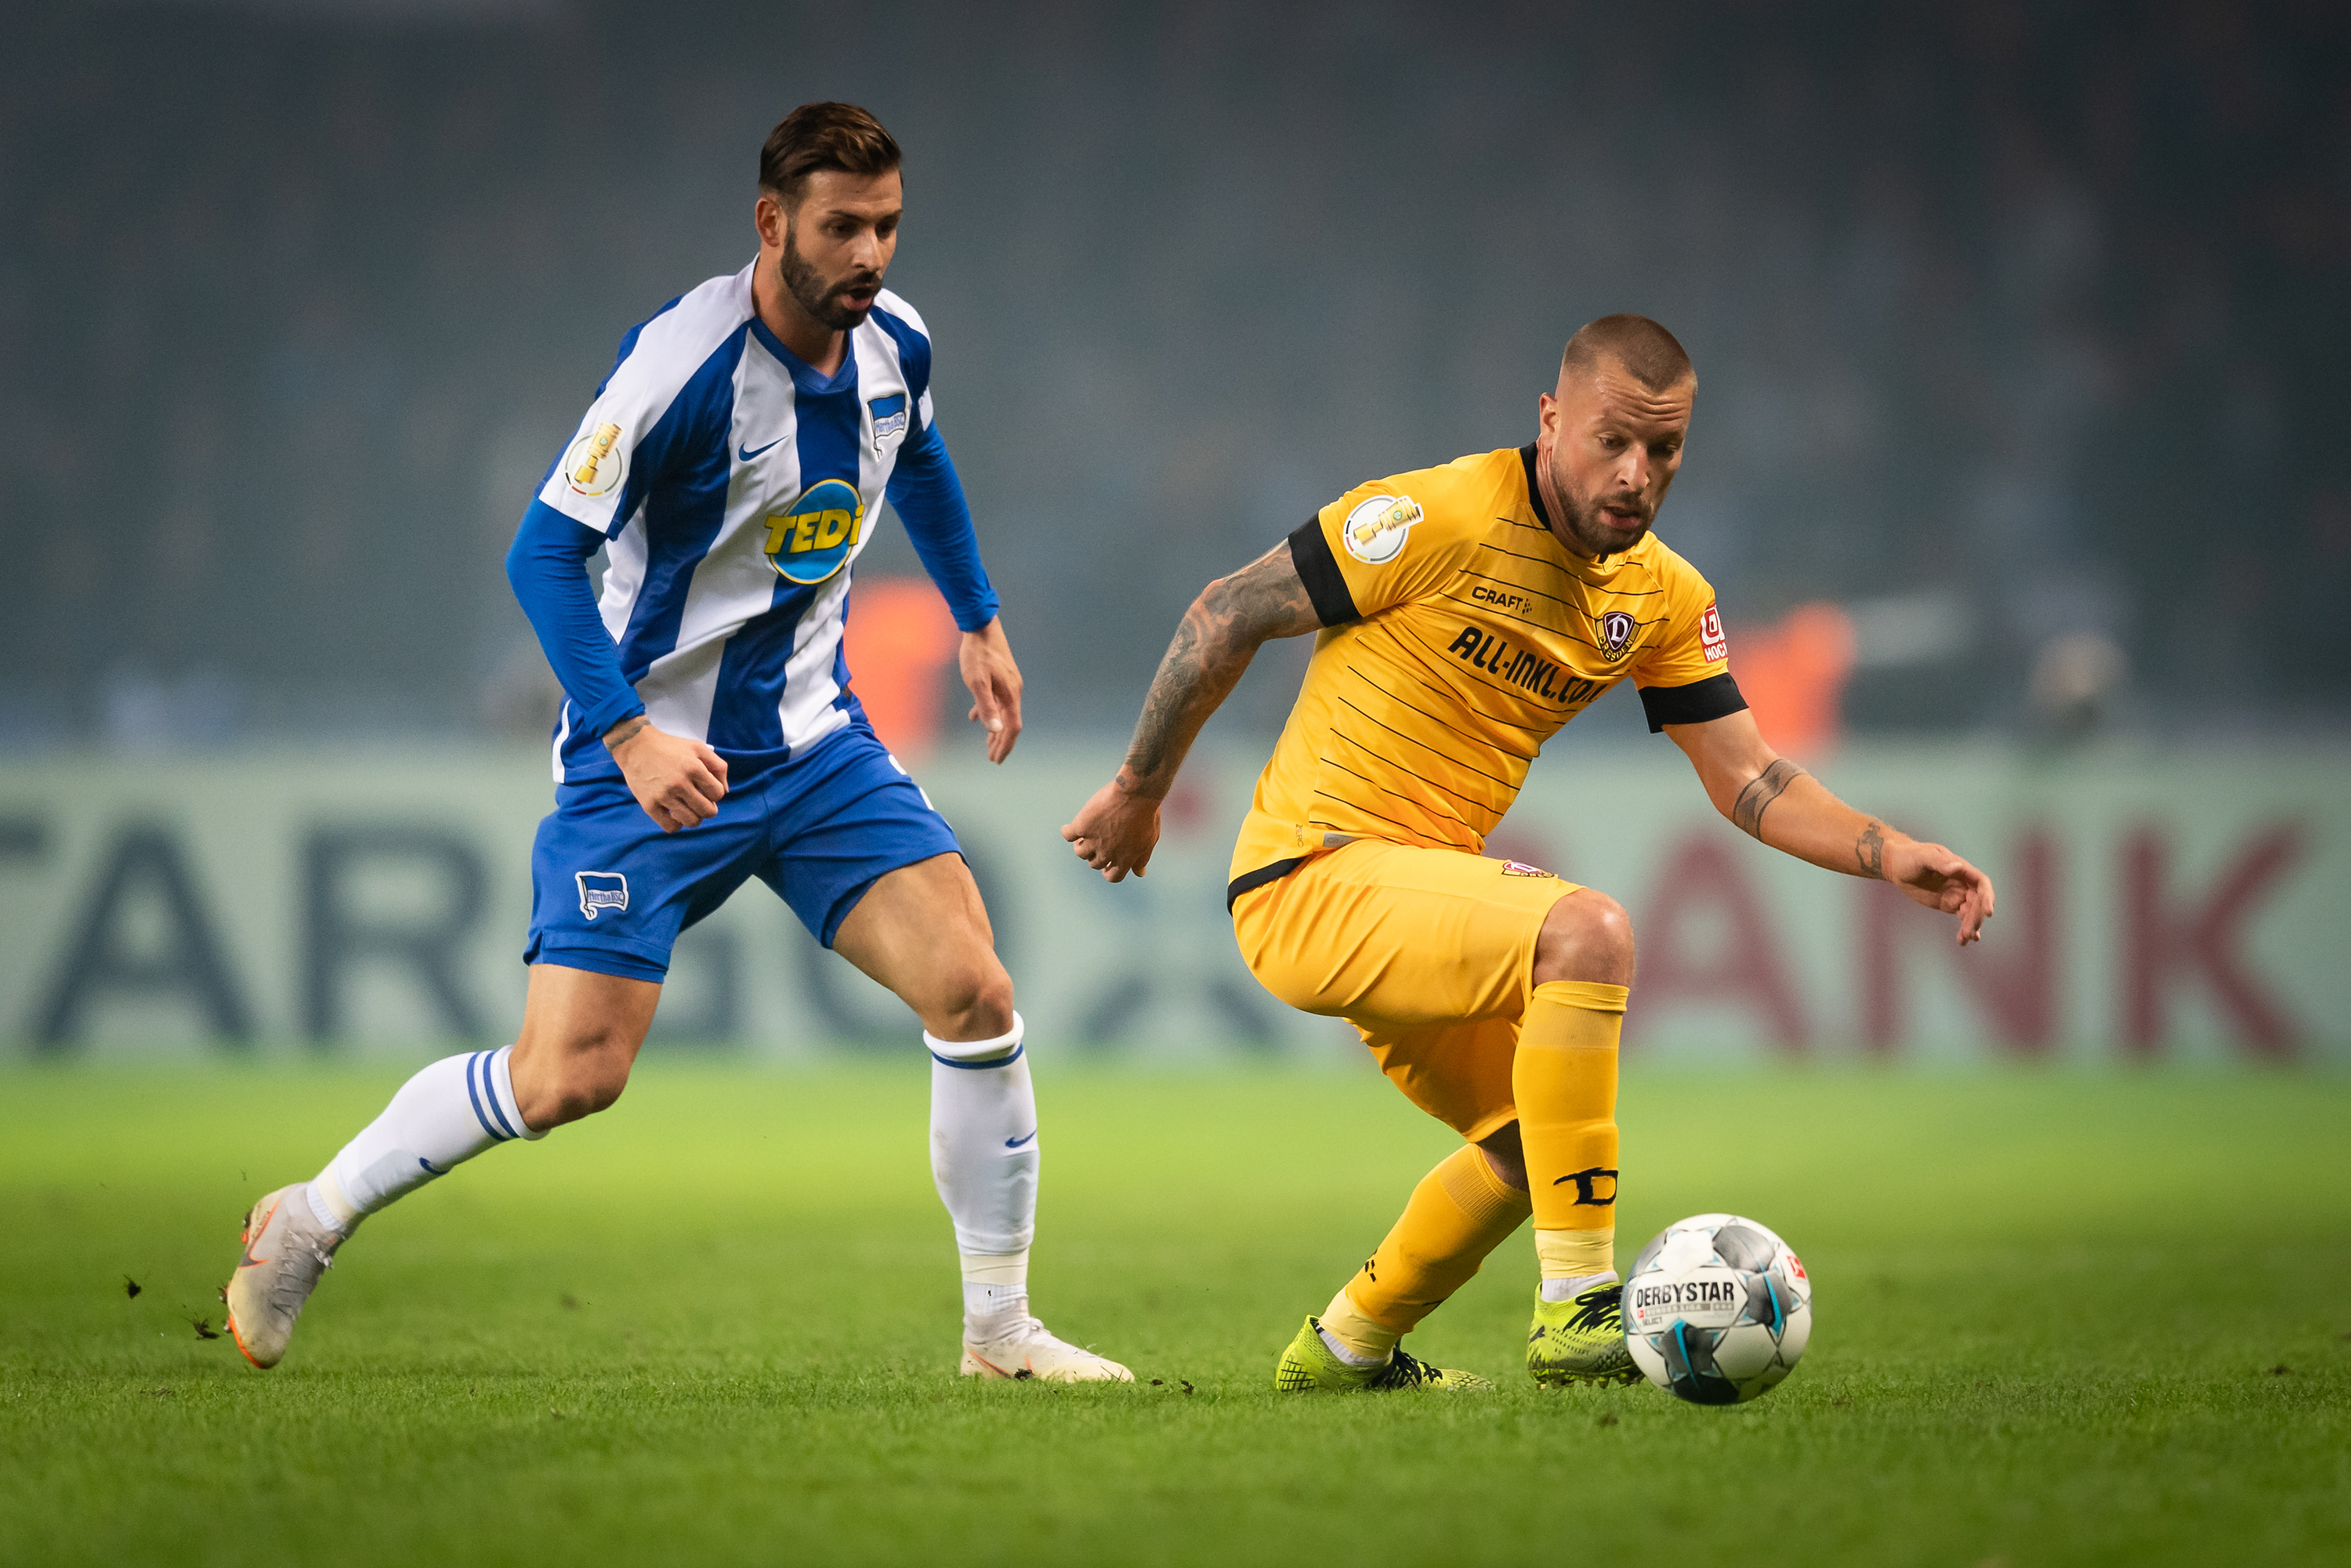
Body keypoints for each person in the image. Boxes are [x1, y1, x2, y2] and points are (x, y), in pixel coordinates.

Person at [226, 103, 1129, 1385]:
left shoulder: (897, 345)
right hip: (641, 752)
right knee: (568, 1076)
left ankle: (999, 1335)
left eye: (887, 227)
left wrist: (978, 619)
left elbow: (916, 458)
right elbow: (542, 555)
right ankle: (308, 1218)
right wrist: (629, 733)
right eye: (842, 228)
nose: (870, 254)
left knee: (976, 990)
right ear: (772, 224)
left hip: (814, 744)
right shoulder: (682, 367)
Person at [1062, 315, 1994, 1391]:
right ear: (1550, 422)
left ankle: (1344, 1348)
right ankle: (1577, 1303)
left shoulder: (1663, 596)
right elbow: (1225, 611)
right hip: (1309, 875)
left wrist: (1887, 852)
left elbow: (1749, 775)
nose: (1638, 474)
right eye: (1613, 441)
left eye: (1666, 451)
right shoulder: (1438, 514)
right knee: (1586, 931)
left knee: (1528, 1145)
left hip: (1413, 893)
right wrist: (1140, 790)